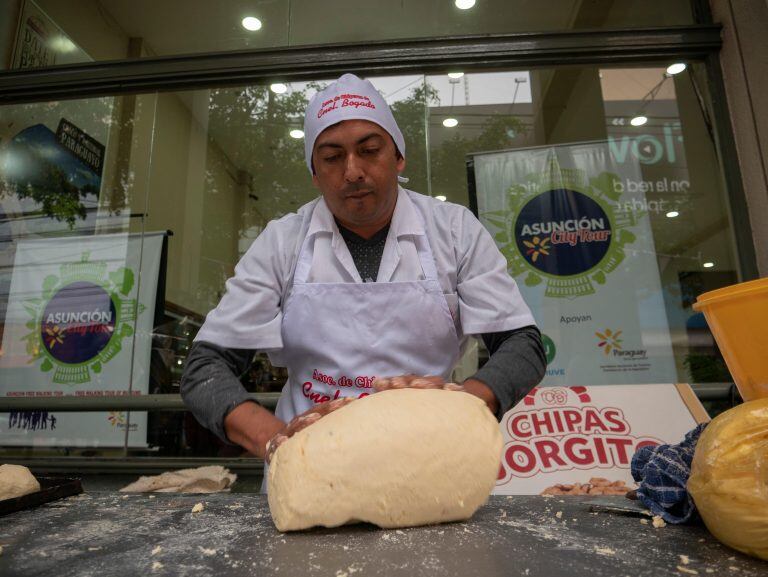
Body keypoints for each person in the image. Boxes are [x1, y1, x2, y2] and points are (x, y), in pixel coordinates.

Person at [181, 73, 545, 470]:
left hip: (430, 459)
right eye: (333, 158)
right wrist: (279, 440)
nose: (352, 171)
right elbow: (206, 368)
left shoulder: (454, 231)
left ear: (399, 157)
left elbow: (521, 345)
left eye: (369, 150)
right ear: (314, 174)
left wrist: (462, 407)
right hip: (311, 464)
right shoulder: (282, 242)